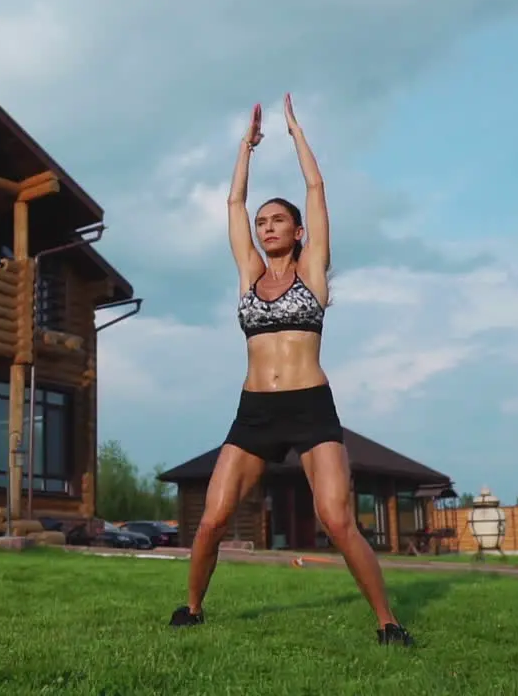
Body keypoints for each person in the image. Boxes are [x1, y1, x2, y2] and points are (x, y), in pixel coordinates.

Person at [167, 96, 414, 646]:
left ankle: (388, 623)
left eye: (278, 220)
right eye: (262, 222)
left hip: (309, 407)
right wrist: (245, 148)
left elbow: (317, 192)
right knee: (212, 518)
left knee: (336, 518)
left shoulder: (314, 273)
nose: (266, 226)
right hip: (254, 410)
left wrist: (297, 133)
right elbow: (233, 202)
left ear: (299, 232)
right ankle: (191, 609)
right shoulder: (250, 274)